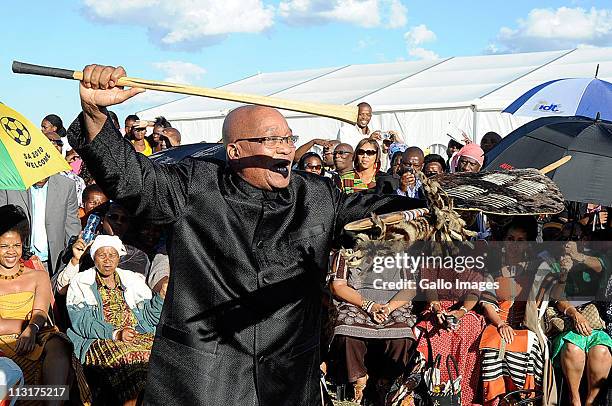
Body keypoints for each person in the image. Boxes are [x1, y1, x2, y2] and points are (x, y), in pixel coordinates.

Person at [66, 63, 425, 406]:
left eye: (288, 138)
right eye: (271, 139)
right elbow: (133, 180)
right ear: (235, 151)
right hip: (205, 373)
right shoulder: (195, 186)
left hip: (287, 377)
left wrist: (441, 203)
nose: (285, 147)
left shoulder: (316, 195)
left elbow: (374, 214)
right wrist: (96, 115)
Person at [0, 204, 90, 406]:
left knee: (59, 342)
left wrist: (32, 329)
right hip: (3, 342)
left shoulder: (38, 274)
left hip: (36, 334)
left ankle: (52, 404)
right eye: (4, 246)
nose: (11, 252)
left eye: (16, 245)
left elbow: (40, 311)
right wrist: (24, 327)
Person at [66, 235, 163, 406]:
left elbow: (150, 317)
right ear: (93, 257)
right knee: (129, 362)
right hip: (100, 339)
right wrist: (115, 333)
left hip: (138, 335)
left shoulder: (132, 280)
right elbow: (82, 323)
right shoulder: (81, 282)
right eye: (102, 255)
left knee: (163, 357)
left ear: (119, 258)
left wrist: (160, 298)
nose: (107, 260)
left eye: (112, 255)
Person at [479, 217, 556, 405]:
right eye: (511, 239)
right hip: (498, 322)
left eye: (520, 241)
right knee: (492, 341)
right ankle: (496, 400)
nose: (514, 244)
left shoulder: (538, 268)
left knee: (529, 342)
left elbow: (551, 286)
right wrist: (500, 324)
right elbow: (487, 302)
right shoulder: (493, 267)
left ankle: (524, 398)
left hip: (527, 325)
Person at [0, 175, 81, 276]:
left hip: (53, 264)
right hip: (16, 262)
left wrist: (72, 260)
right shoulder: (7, 184)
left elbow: (72, 227)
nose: (41, 178)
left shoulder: (66, 186)